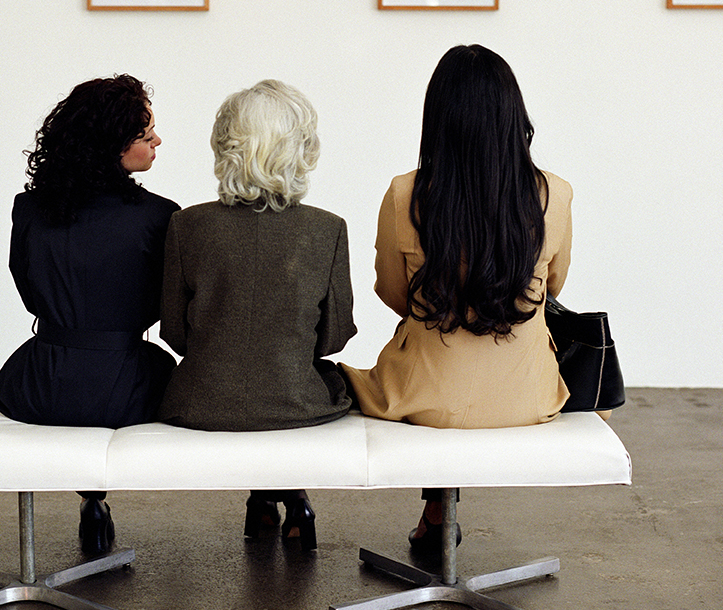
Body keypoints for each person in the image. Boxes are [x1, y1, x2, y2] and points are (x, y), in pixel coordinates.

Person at [341, 45, 573, 554]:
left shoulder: (406, 193)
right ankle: (437, 513)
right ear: (515, 116)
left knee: (374, 371)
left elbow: (391, 291)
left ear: (437, 119)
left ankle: (436, 512)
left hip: (423, 395)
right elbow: (552, 287)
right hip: (525, 396)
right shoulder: (554, 192)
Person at [158, 80, 357, 550]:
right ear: (301, 150)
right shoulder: (327, 229)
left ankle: (264, 501)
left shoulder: (187, 225)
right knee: (326, 376)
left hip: (202, 402)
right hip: (296, 401)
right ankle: (289, 500)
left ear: (225, 146)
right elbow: (333, 337)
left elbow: (174, 332)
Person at [0, 75, 179, 556]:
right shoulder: (161, 216)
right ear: (113, 146)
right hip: (128, 384)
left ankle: (92, 502)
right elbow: (170, 306)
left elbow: (28, 290)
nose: (158, 140)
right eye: (146, 133)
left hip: (43, 383)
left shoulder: (29, 209)